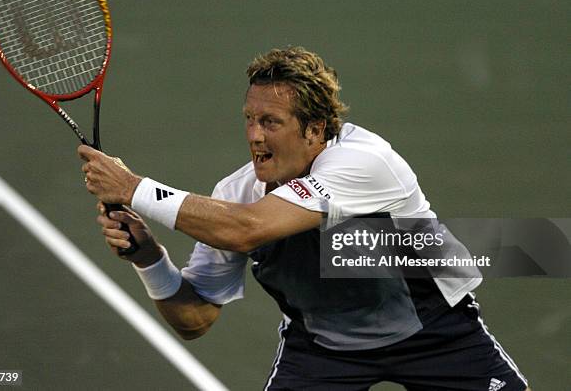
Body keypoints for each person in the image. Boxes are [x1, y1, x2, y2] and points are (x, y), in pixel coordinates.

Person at [78, 47, 530, 390]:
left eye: (271, 122)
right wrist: (148, 258)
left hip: (435, 332)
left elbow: (247, 228)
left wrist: (132, 186)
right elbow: (194, 319)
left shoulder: (366, 162)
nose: (254, 135)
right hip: (322, 350)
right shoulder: (234, 195)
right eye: (249, 119)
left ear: (315, 129)